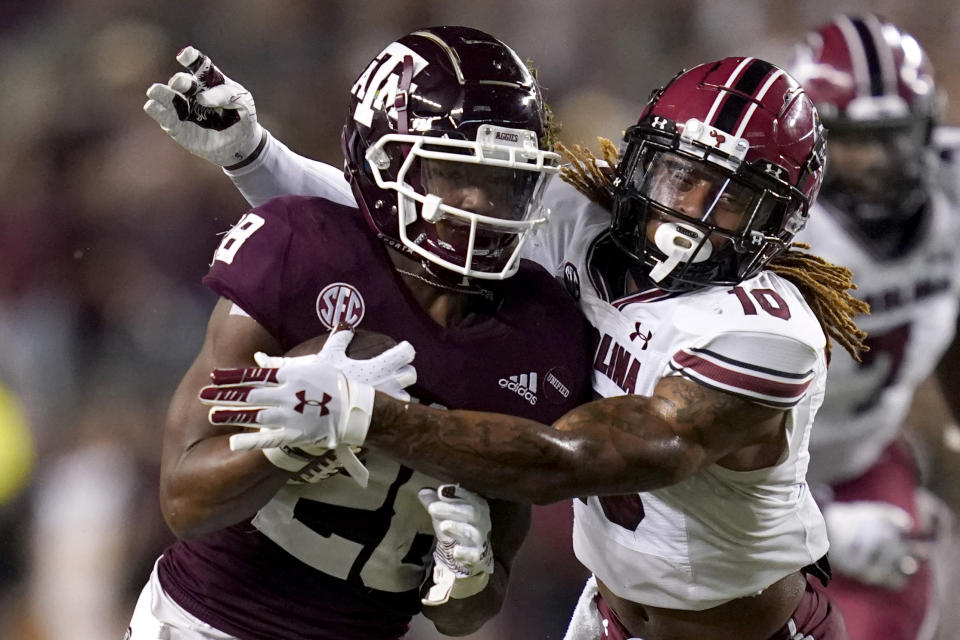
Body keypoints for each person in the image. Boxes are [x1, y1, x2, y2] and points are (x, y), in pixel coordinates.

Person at [163, 52, 870, 638]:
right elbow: (399, 207)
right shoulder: (584, 223)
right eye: (678, 175)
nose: (687, 212)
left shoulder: (766, 333)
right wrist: (254, 157)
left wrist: (368, 415)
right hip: (606, 616)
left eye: (731, 198)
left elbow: (576, 460)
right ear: (639, 157)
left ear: (777, 223)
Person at [130, 26, 595, 640]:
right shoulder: (299, 249)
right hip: (208, 623)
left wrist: (469, 574)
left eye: (507, 181)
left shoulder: (538, 330)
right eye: (457, 173)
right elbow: (185, 501)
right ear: (383, 164)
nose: (482, 203)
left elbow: (465, 611)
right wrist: (286, 439)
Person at [786, 14, 960, 640]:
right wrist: (819, 524)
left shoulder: (952, 186)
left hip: (862, 452)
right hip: (733, 474)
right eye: (856, 141)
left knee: (896, 605)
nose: (880, 162)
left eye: (894, 136)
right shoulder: (767, 226)